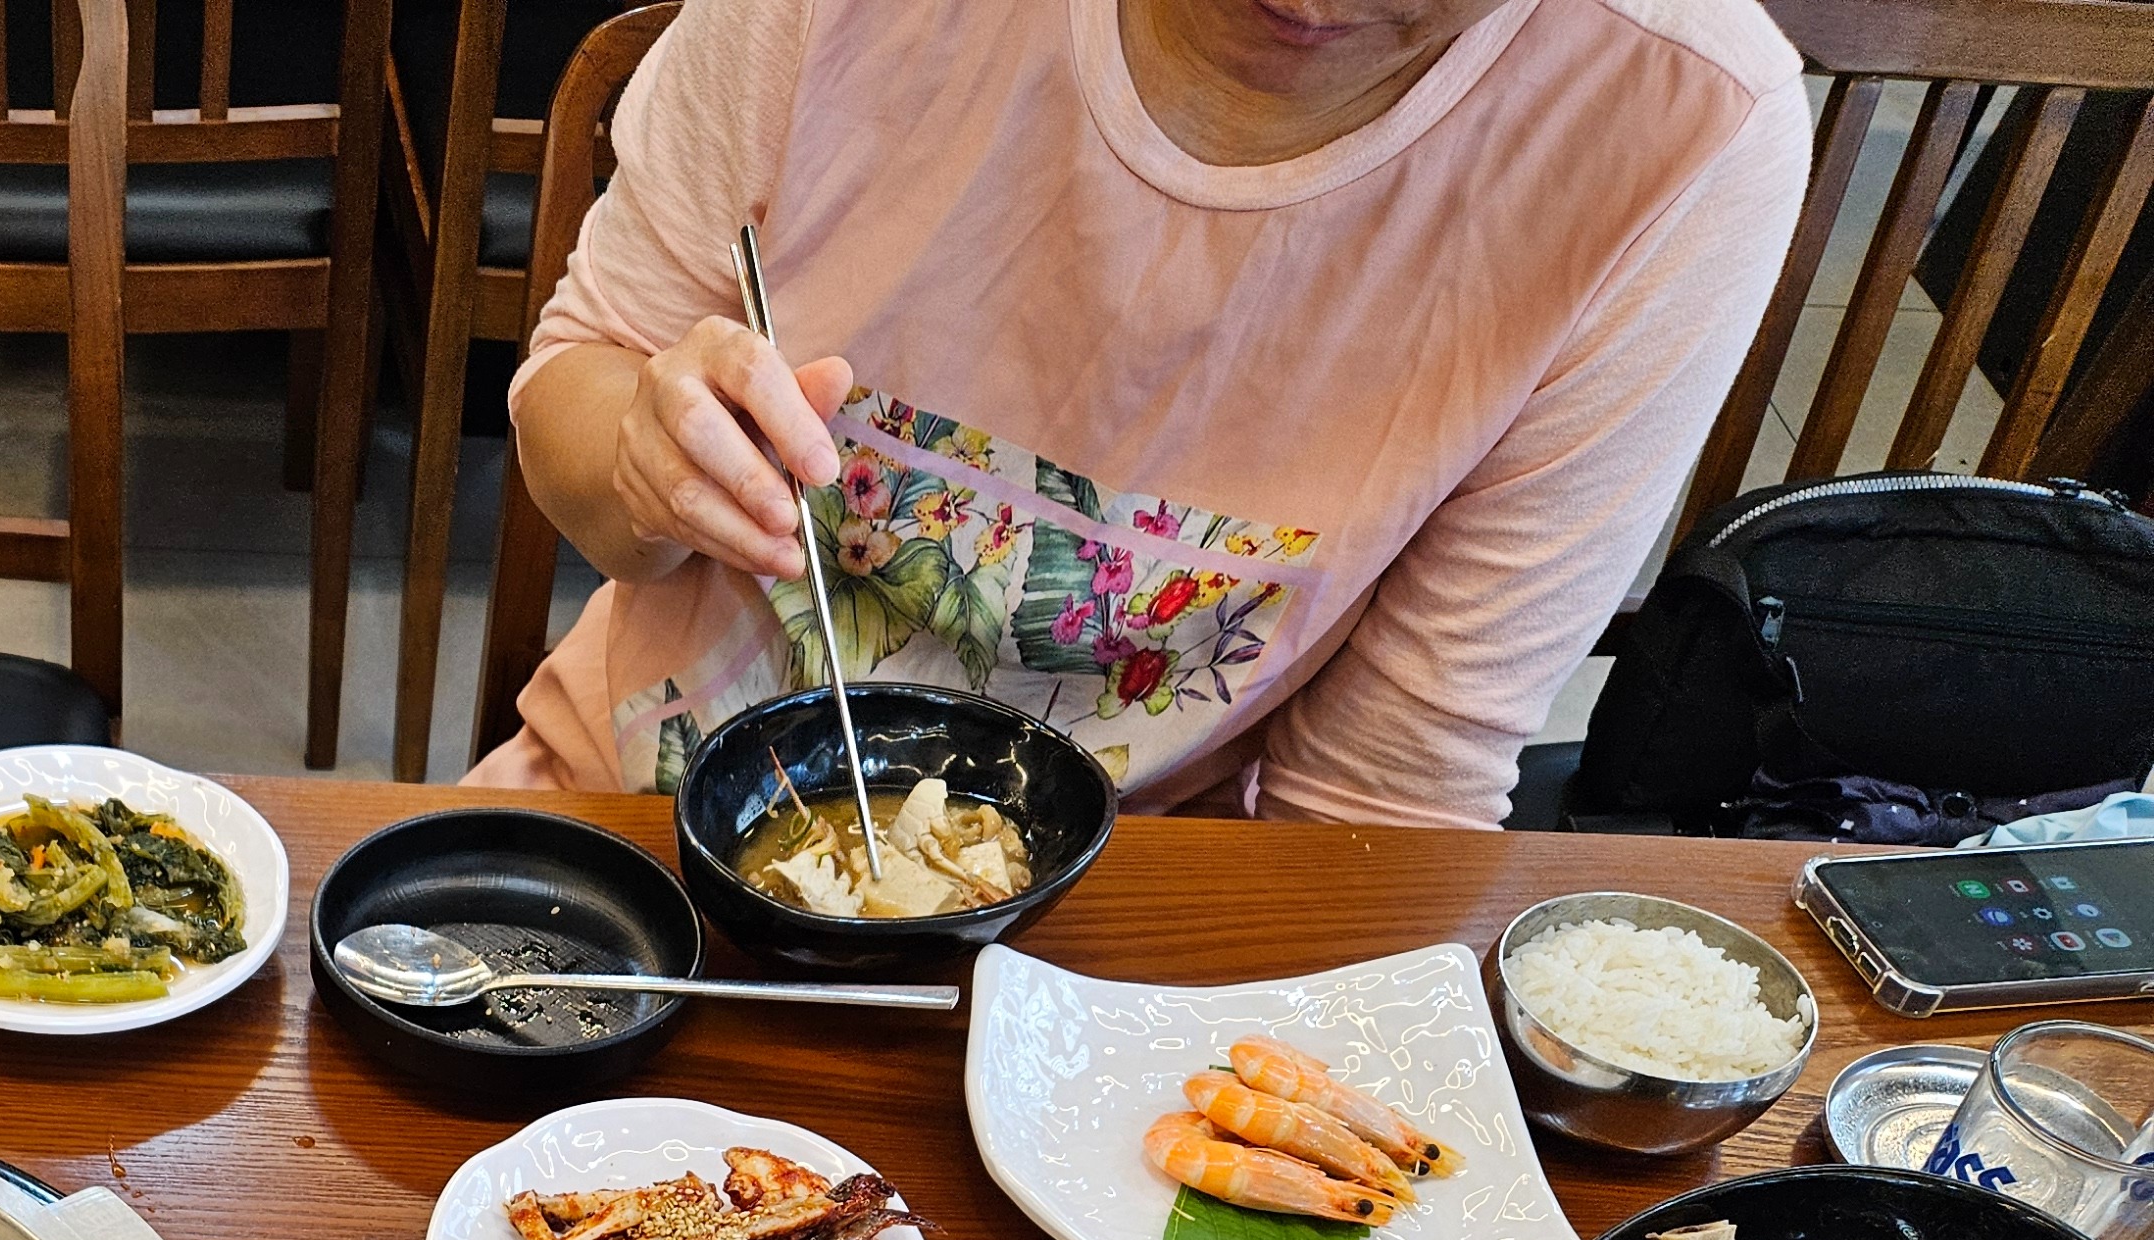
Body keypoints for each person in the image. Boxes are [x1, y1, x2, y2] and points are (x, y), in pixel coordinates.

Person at [482, 0, 1809, 827]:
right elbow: (577, 406)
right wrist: (646, 463)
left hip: (1120, 938)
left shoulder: (1680, 120)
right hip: (627, 816)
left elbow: (1374, 800)